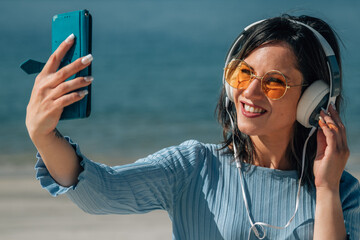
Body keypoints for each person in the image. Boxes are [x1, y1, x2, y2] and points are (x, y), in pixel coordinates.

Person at [26, 14, 360, 239]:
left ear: (314, 100)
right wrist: (44, 135)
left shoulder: (344, 193)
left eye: (274, 83)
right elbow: (100, 193)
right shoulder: (194, 167)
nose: (250, 92)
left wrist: (326, 189)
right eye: (243, 73)